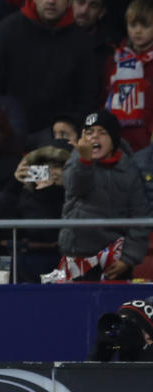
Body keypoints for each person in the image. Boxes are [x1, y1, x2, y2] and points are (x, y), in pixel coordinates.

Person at [0, 0, 100, 136]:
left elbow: (87, 96)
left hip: (60, 133)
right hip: (7, 130)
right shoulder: (8, 30)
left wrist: (70, 121)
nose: (51, 0)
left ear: (69, 1)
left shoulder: (81, 42)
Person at [57, 110, 149, 281]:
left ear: (114, 139)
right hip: (79, 256)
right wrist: (84, 162)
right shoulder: (76, 160)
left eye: (102, 132)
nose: (94, 137)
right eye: (89, 132)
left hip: (116, 260)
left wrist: (128, 259)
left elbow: (140, 218)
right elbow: (74, 188)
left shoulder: (129, 169)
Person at [7, 137, 72, 281]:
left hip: (60, 262)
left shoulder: (75, 197)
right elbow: (3, 218)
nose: (52, 172)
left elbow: (51, 231)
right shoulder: (24, 194)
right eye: (44, 166)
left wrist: (50, 193)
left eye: (58, 166)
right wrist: (15, 183)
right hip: (24, 262)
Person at [105, 0, 153, 152]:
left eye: (145, 25)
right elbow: (104, 98)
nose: (137, 31)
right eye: (133, 25)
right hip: (118, 138)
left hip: (147, 141)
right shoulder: (116, 59)